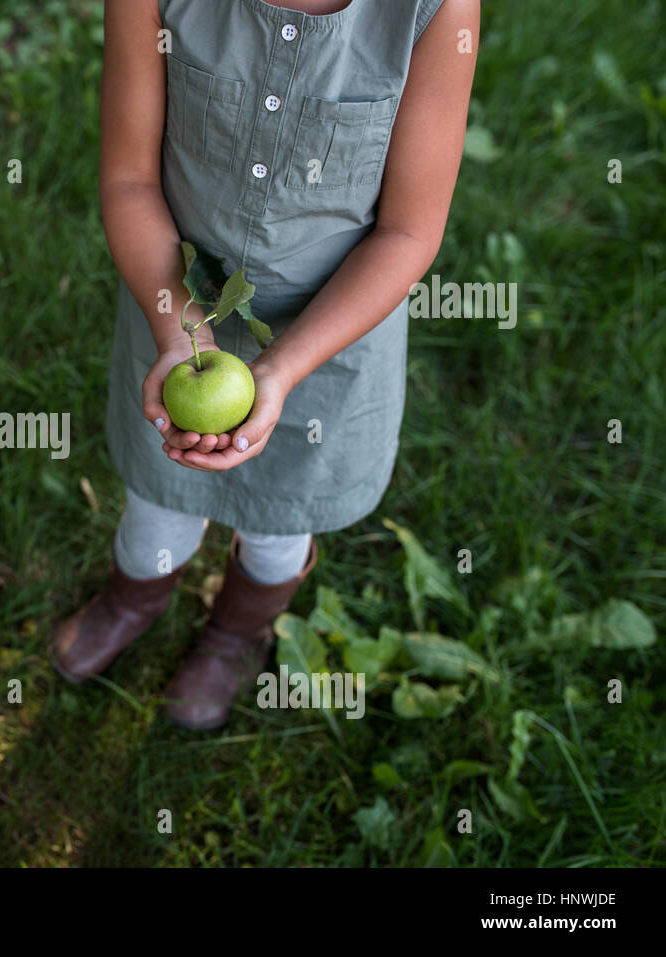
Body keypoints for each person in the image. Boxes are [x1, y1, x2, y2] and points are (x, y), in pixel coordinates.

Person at [51, 0, 479, 730]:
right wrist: (181, 332)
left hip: (332, 339)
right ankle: (137, 595)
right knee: (159, 490)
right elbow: (129, 179)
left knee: (284, 513)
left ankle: (237, 630)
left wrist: (282, 370)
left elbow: (408, 231)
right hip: (175, 313)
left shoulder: (434, 11)